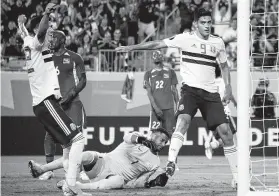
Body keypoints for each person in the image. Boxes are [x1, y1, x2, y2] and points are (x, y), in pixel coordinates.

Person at [116, 8, 238, 189]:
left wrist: (228, 87)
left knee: (226, 132)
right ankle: (171, 162)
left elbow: (225, 66)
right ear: (196, 24)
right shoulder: (185, 38)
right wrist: (132, 47)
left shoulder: (218, 42)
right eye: (203, 22)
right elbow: (157, 44)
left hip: (211, 93)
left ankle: (237, 177)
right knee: (182, 122)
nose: (206, 26)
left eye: (209, 22)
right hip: (190, 91)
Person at [17, 4, 91, 196]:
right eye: (49, 32)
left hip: (41, 103)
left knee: (67, 145)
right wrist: (47, 13)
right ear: (39, 32)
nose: (50, 36)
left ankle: (57, 178)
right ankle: (73, 184)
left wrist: (20, 23)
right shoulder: (37, 42)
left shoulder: (27, 40)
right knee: (78, 139)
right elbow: (40, 31)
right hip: (46, 101)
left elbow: (24, 32)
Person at [29, 128, 171, 190]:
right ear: (153, 135)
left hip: (112, 178)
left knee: (119, 181)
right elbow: (126, 137)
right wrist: (142, 140)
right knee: (86, 155)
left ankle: (75, 186)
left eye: (165, 142)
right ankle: (42, 169)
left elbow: (137, 183)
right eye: (162, 140)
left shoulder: (156, 163)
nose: (164, 144)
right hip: (101, 163)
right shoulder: (137, 137)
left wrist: (152, 183)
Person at [37, 30, 88, 181]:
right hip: (55, 103)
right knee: (50, 134)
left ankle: (80, 170)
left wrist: (70, 95)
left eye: (54, 38)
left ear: (63, 40)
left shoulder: (74, 57)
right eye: (50, 38)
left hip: (73, 103)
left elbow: (83, 80)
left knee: (76, 136)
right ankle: (49, 170)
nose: (51, 41)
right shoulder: (47, 58)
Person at [204, 65, 237, 160]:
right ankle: (235, 158)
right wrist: (235, 103)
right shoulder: (223, 82)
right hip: (224, 111)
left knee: (222, 137)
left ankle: (210, 144)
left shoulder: (209, 83)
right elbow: (229, 94)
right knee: (233, 137)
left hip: (212, 111)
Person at [143, 50, 179, 136]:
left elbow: (174, 90)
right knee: (155, 134)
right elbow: (149, 93)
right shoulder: (148, 74)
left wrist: (178, 105)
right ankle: (154, 150)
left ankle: (172, 150)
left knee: (170, 134)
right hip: (156, 109)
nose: (157, 62)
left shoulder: (171, 72)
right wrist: (155, 107)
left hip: (169, 108)